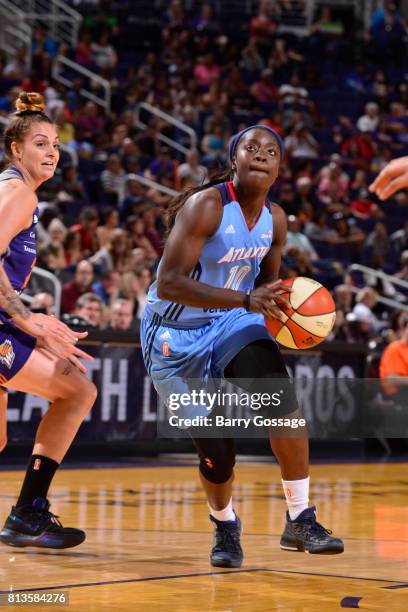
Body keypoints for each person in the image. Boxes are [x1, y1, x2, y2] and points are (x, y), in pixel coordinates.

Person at [141, 125, 343, 568]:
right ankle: (225, 523)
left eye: (271, 150)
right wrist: (248, 299)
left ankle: (300, 518)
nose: (261, 154)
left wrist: (293, 318)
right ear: (234, 159)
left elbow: (266, 288)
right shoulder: (207, 206)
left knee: (281, 400)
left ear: (279, 167)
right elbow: (169, 282)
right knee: (218, 452)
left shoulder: (277, 219)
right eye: (251, 147)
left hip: (233, 318)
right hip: (176, 332)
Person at [0, 92, 97, 549]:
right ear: (17, 150)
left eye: (55, 143)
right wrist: (25, 317)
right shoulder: (15, 191)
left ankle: (25, 516)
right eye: (40, 143)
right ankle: (27, 511)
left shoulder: (19, 193)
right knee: (78, 390)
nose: (52, 152)